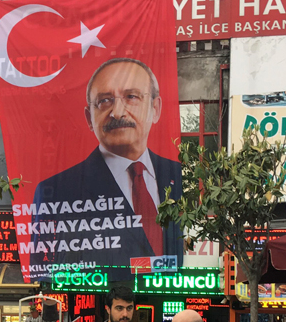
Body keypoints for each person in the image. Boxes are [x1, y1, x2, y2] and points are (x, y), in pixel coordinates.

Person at [29, 58, 183, 278]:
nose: (118, 112)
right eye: (104, 101)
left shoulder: (177, 175)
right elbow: (43, 272)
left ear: (155, 108)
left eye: (132, 97)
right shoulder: (56, 190)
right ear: (89, 118)